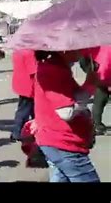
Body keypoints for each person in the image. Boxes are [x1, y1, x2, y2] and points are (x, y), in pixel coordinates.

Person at [34, 50, 99, 182]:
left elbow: (73, 96)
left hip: (59, 141)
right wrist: (89, 85)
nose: (81, 53)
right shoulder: (52, 71)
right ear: (64, 49)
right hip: (63, 143)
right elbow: (66, 112)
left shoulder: (59, 68)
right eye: (78, 48)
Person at [79, 46, 110, 136]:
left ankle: (96, 124)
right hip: (102, 72)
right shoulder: (107, 46)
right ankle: (96, 124)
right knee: (101, 98)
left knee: (100, 99)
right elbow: (106, 63)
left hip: (98, 69)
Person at [10, 49, 37, 142]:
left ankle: (21, 131)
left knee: (27, 110)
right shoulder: (29, 53)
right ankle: (17, 132)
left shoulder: (18, 51)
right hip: (29, 86)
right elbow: (33, 72)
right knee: (24, 111)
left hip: (21, 84)